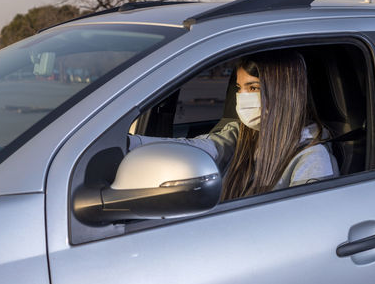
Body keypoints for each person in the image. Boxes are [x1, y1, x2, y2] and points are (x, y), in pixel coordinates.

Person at [128, 50, 339, 200]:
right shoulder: (241, 135)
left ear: (283, 94)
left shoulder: (312, 157)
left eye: (253, 88)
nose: (242, 97)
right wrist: (128, 144)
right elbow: (195, 149)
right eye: (239, 88)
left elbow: (305, 224)